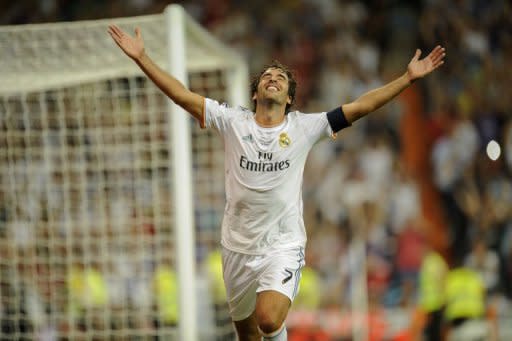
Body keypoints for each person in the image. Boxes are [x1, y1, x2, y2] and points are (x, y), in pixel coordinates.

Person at [108, 24, 445, 341]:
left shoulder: (303, 127)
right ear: (255, 94)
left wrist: (406, 79)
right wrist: (142, 58)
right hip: (236, 246)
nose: (273, 78)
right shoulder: (232, 121)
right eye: (267, 76)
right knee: (248, 335)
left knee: (269, 320)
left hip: (281, 244)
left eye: (281, 78)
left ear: (289, 99)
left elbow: (360, 107)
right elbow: (182, 95)